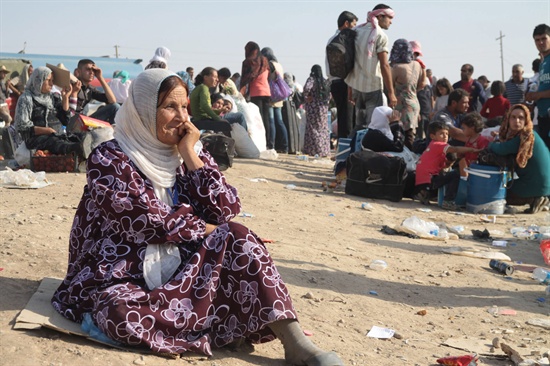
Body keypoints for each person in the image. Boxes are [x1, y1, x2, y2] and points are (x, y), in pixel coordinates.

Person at [51, 69, 344, 366]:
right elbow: (141, 220)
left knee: (239, 236)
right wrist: (202, 227)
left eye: (184, 107)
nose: (181, 117)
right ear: (142, 110)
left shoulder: (187, 152)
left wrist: (190, 156)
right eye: (169, 107)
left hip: (182, 259)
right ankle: (214, 327)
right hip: (123, 269)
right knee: (118, 311)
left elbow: (225, 209)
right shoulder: (108, 158)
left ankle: (297, 343)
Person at [14, 66, 89, 157]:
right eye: (48, 80)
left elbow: (66, 121)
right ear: (39, 80)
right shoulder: (26, 98)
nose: (51, 84)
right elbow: (22, 127)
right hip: (37, 139)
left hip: (57, 134)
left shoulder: (53, 97)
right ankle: (77, 149)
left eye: (52, 80)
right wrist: (46, 131)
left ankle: (82, 148)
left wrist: (65, 98)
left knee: (80, 136)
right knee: (53, 142)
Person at [489, 104, 550, 213]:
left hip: (535, 185)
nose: (517, 121)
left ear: (527, 119)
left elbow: (501, 149)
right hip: (544, 185)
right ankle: (537, 197)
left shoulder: (524, 137)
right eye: (513, 117)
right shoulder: (532, 134)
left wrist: (490, 144)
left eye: (521, 118)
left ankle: (534, 199)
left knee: (500, 193)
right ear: (508, 119)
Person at [345, 4, 396, 132]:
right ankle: (367, 152)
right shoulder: (380, 35)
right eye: (389, 18)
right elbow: (385, 65)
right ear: (380, 16)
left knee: (359, 125)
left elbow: (350, 62)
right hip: (373, 88)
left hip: (357, 87)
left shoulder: (356, 31)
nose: (391, 22)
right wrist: (391, 93)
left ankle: (355, 151)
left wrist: (350, 88)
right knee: (373, 126)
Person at [414, 121, 480, 209]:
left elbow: (444, 167)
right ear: (433, 136)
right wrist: (472, 150)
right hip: (428, 180)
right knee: (455, 174)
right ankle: (448, 201)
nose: (445, 136)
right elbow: (455, 149)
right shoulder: (438, 144)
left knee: (446, 174)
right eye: (441, 134)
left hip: (421, 182)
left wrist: (453, 161)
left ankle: (425, 193)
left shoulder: (433, 146)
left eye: (447, 134)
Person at [326, 10, 358, 139]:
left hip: (334, 83)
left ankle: (342, 152)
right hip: (347, 83)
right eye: (354, 24)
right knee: (349, 121)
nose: (355, 28)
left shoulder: (331, 40)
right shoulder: (346, 40)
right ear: (346, 23)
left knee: (342, 119)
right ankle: (347, 155)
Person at [389, 39, 423, 149]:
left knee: (402, 134)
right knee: (411, 133)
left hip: (402, 105)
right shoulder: (418, 65)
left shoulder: (397, 68)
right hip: (414, 102)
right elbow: (422, 84)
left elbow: (389, 85)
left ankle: (406, 158)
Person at [240, 41, 271, 148]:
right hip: (267, 92)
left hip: (256, 92)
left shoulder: (248, 62)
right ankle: (269, 143)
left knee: (258, 119)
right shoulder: (265, 60)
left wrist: (241, 92)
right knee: (266, 118)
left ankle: (260, 143)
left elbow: (244, 79)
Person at [72, 59, 119, 124]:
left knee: (115, 106)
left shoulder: (90, 89)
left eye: (93, 70)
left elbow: (112, 101)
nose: (91, 72)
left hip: (83, 120)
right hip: (73, 121)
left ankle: (114, 132)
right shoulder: (73, 85)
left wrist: (100, 77)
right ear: (78, 71)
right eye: (88, 69)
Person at [526, 24, 550, 150]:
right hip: (542, 116)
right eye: (537, 40)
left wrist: (538, 95)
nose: (540, 42)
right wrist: (534, 102)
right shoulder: (543, 62)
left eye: (544, 38)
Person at [189, 67, 231, 136]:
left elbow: (205, 109)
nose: (217, 79)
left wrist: (219, 111)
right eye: (214, 77)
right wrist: (217, 119)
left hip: (201, 118)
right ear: (205, 77)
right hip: (201, 119)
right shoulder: (203, 88)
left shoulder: (202, 88)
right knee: (237, 118)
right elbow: (204, 106)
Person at [261, 47, 288, 153]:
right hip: (280, 96)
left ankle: (271, 145)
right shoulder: (279, 65)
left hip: (272, 96)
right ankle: (285, 146)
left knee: (271, 121)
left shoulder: (269, 65)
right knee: (280, 122)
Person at [303, 65, 331, 157]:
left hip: (313, 108)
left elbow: (307, 88)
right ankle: (324, 150)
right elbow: (329, 95)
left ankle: (313, 150)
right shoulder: (324, 81)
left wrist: (307, 97)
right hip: (323, 109)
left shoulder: (311, 79)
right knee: (323, 129)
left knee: (313, 129)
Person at [457, 112, 490, 178]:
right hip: (470, 170)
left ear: (472, 128)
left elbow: (484, 155)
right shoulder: (468, 140)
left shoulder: (482, 141)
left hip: (479, 172)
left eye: (464, 128)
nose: (463, 130)